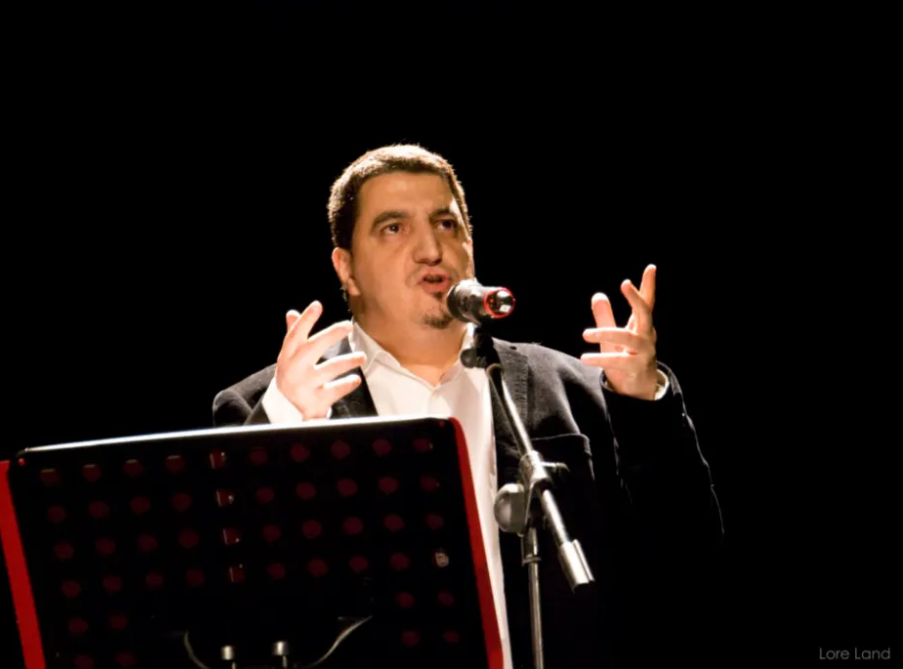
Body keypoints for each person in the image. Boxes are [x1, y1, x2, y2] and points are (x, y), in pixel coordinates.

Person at [212, 144, 724, 668]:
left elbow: (688, 559)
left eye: (446, 224)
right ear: (347, 269)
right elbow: (229, 610)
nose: (431, 249)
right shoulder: (270, 405)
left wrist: (644, 404)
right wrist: (277, 429)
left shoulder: (577, 388)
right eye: (394, 228)